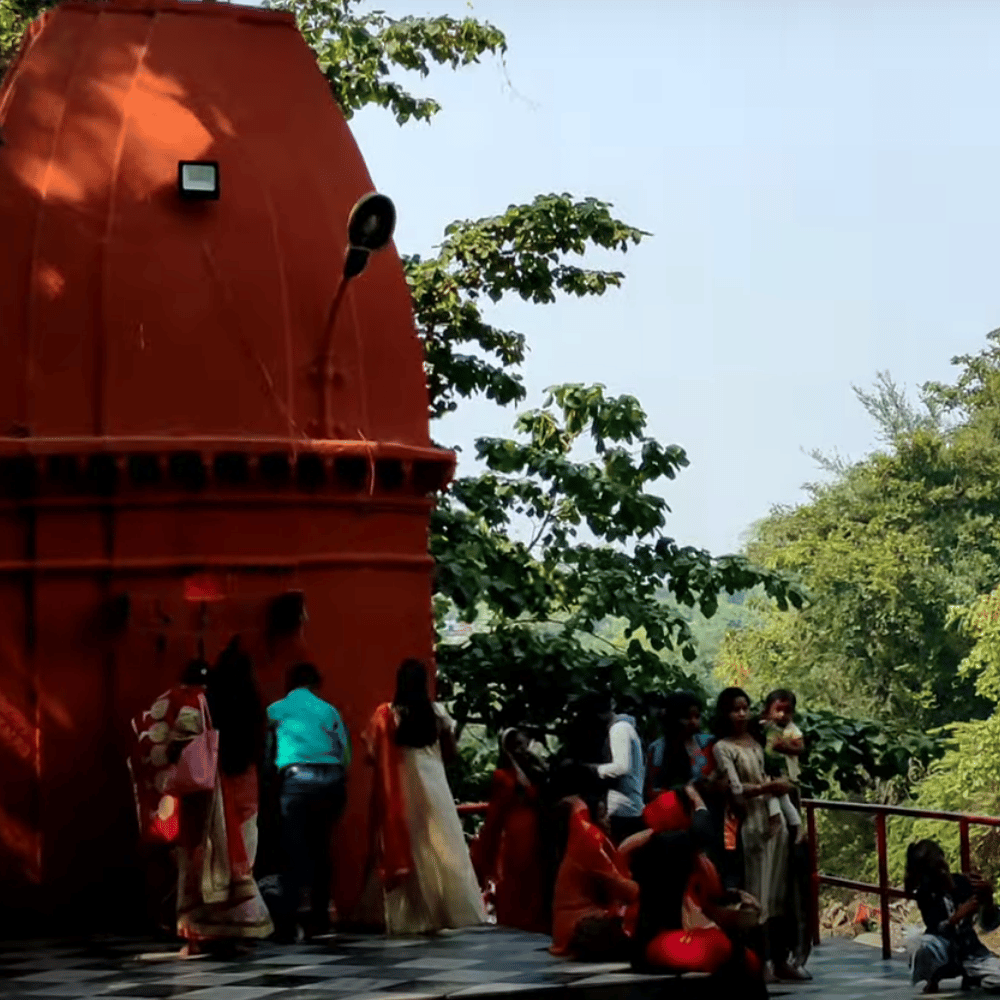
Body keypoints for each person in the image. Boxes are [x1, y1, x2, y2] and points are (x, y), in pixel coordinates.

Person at [358, 658, 486, 935]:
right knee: (444, 849)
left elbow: (371, 756)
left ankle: (410, 917)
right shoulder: (438, 713)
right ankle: (453, 912)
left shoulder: (387, 715)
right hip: (435, 788)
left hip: (402, 791)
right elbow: (451, 755)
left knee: (411, 850)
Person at [712, 687, 804, 983]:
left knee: (780, 895)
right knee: (758, 895)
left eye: (745, 708)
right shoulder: (722, 748)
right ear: (725, 714)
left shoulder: (757, 740)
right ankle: (760, 961)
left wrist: (778, 786)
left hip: (774, 822)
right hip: (752, 825)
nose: (741, 714)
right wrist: (767, 789)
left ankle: (781, 959)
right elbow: (735, 791)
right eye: (735, 709)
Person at [267, 661, 351, 943]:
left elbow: (266, 749)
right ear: (316, 684)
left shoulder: (276, 710)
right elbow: (344, 752)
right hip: (330, 780)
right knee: (321, 848)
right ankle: (320, 917)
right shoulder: (328, 710)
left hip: (297, 780)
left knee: (292, 851)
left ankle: (287, 921)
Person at [470, 727, 550, 934]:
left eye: (523, 744)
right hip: (515, 832)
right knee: (515, 876)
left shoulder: (538, 770)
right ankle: (514, 920)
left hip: (537, 828)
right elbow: (497, 811)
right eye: (516, 746)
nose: (521, 749)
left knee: (534, 876)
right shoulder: (503, 776)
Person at [549, 789, 639, 960]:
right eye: (603, 814)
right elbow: (622, 887)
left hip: (571, 927)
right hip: (579, 928)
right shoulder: (587, 839)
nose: (608, 820)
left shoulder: (577, 840)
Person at [760, 688, 810, 978]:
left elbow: (799, 747)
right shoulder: (761, 732)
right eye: (776, 709)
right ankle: (770, 956)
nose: (781, 715)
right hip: (766, 792)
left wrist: (781, 747)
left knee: (791, 880)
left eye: (786, 710)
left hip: (788, 788)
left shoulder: (790, 731)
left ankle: (788, 955)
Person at [905, 839, 1000, 994]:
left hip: (972, 952)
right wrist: (956, 917)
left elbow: (989, 924)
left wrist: (988, 899)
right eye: (937, 870)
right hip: (944, 952)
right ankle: (933, 977)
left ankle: (976, 976)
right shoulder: (925, 894)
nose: (943, 873)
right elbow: (936, 927)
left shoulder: (962, 883)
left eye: (943, 866)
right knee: (921, 946)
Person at [594, 695, 646, 844]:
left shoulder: (619, 729)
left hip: (624, 813)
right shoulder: (622, 727)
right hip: (626, 810)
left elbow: (621, 767)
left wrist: (592, 770)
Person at [645, 691, 714, 801]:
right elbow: (652, 789)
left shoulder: (708, 743)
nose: (693, 722)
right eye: (687, 717)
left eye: (697, 716)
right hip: (674, 809)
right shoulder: (658, 749)